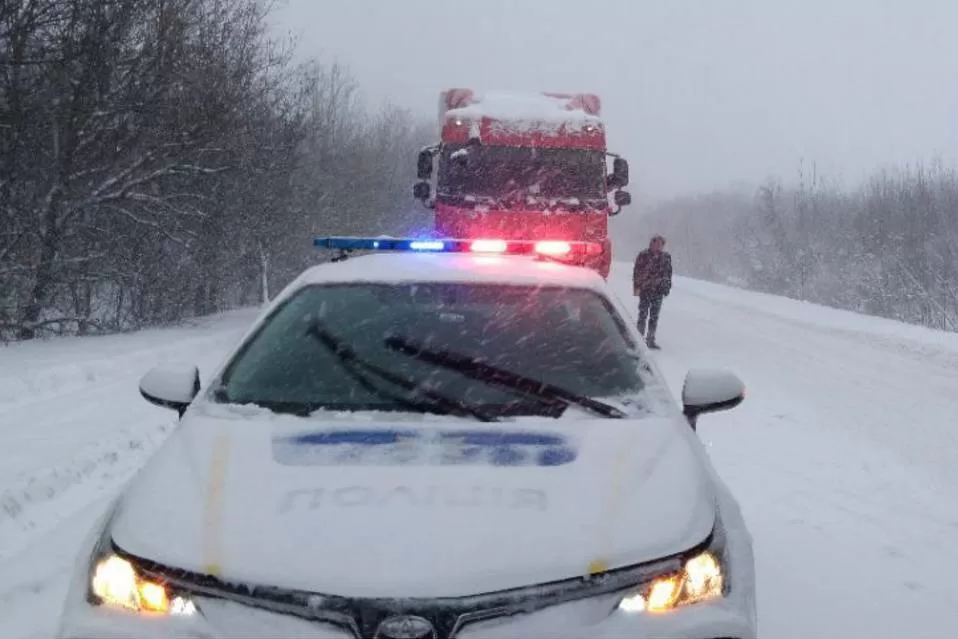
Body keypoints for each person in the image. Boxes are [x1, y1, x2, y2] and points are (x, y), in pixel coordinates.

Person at [632, 234, 672, 348]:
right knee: (642, 315)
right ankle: (639, 339)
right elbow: (637, 272)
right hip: (645, 289)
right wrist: (637, 287)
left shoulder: (666, 258)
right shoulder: (643, 255)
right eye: (657, 244)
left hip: (658, 291)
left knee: (654, 317)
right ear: (652, 244)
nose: (659, 246)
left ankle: (650, 339)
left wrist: (667, 287)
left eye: (661, 244)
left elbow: (668, 274)